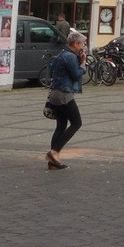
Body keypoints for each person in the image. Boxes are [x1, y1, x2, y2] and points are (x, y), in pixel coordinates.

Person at [46, 30, 87, 169]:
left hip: (56, 94)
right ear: (75, 43)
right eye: (82, 44)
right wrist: (83, 65)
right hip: (64, 95)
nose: (83, 46)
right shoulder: (69, 56)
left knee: (61, 126)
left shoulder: (62, 54)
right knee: (76, 123)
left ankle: (53, 161)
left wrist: (79, 60)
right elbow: (76, 75)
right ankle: (54, 152)